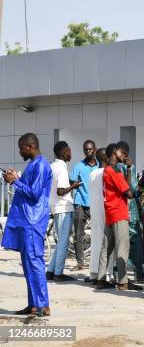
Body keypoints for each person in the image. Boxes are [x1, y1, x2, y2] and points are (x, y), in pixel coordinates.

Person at [2, 133, 53, 317]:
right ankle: (33, 304)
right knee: (27, 265)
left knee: (34, 263)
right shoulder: (33, 165)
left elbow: (35, 193)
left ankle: (42, 305)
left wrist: (15, 181)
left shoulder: (41, 164)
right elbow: (28, 188)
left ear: (29, 146)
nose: (19, 151)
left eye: (21, 147)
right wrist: (16, 178)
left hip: (33, 222)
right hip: (26, 221)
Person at [96, 143, 141, 291]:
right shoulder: (113, 171)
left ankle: (101, 279)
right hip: (119, 213)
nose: (125, 155)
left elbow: (124, 186)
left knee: (107, 247)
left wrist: (128, 169)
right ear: (115, 152)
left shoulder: (110, 170)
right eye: (123, 152)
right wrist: (134, 190)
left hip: (110, 212)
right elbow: (128, 192)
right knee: (123, 247)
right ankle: (123, 281)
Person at [47, 141, 81, 281]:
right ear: (62, 152)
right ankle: (58, 273)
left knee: (61, 241)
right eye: (68, 151)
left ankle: (50, 271)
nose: (70, 154)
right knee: (63, 242)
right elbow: (60, 191)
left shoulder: (52, 166)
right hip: (63, 207)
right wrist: (74, 186)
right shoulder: (61, 168)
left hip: (56, 207)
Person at [116, 141, 144, 281]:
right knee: (135, 242)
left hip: (118, 209)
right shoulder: (128, 167)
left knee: (120, 243)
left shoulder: (111, 168)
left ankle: (119, 274)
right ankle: (138, 273)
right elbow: (131, 189)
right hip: (130, 210)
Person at [69, 139, 98, 271]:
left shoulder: (100, 165)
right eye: (86, 149)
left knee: (99, 233)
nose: (88, 151)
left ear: (95, 149)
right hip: (80, 203)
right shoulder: (78, 166)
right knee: (78, 235)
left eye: (90, 149)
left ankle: (98, 261)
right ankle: (80, 262)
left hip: (95, 204)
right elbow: (72, 182)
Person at [88, 148, 110, 283]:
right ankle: (106, 273)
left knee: (95, 239)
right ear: (107, 158)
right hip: (105, 208)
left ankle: (94, 272)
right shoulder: (106, 172)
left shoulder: (92, 173)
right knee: (106, 241)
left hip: (94, 209)